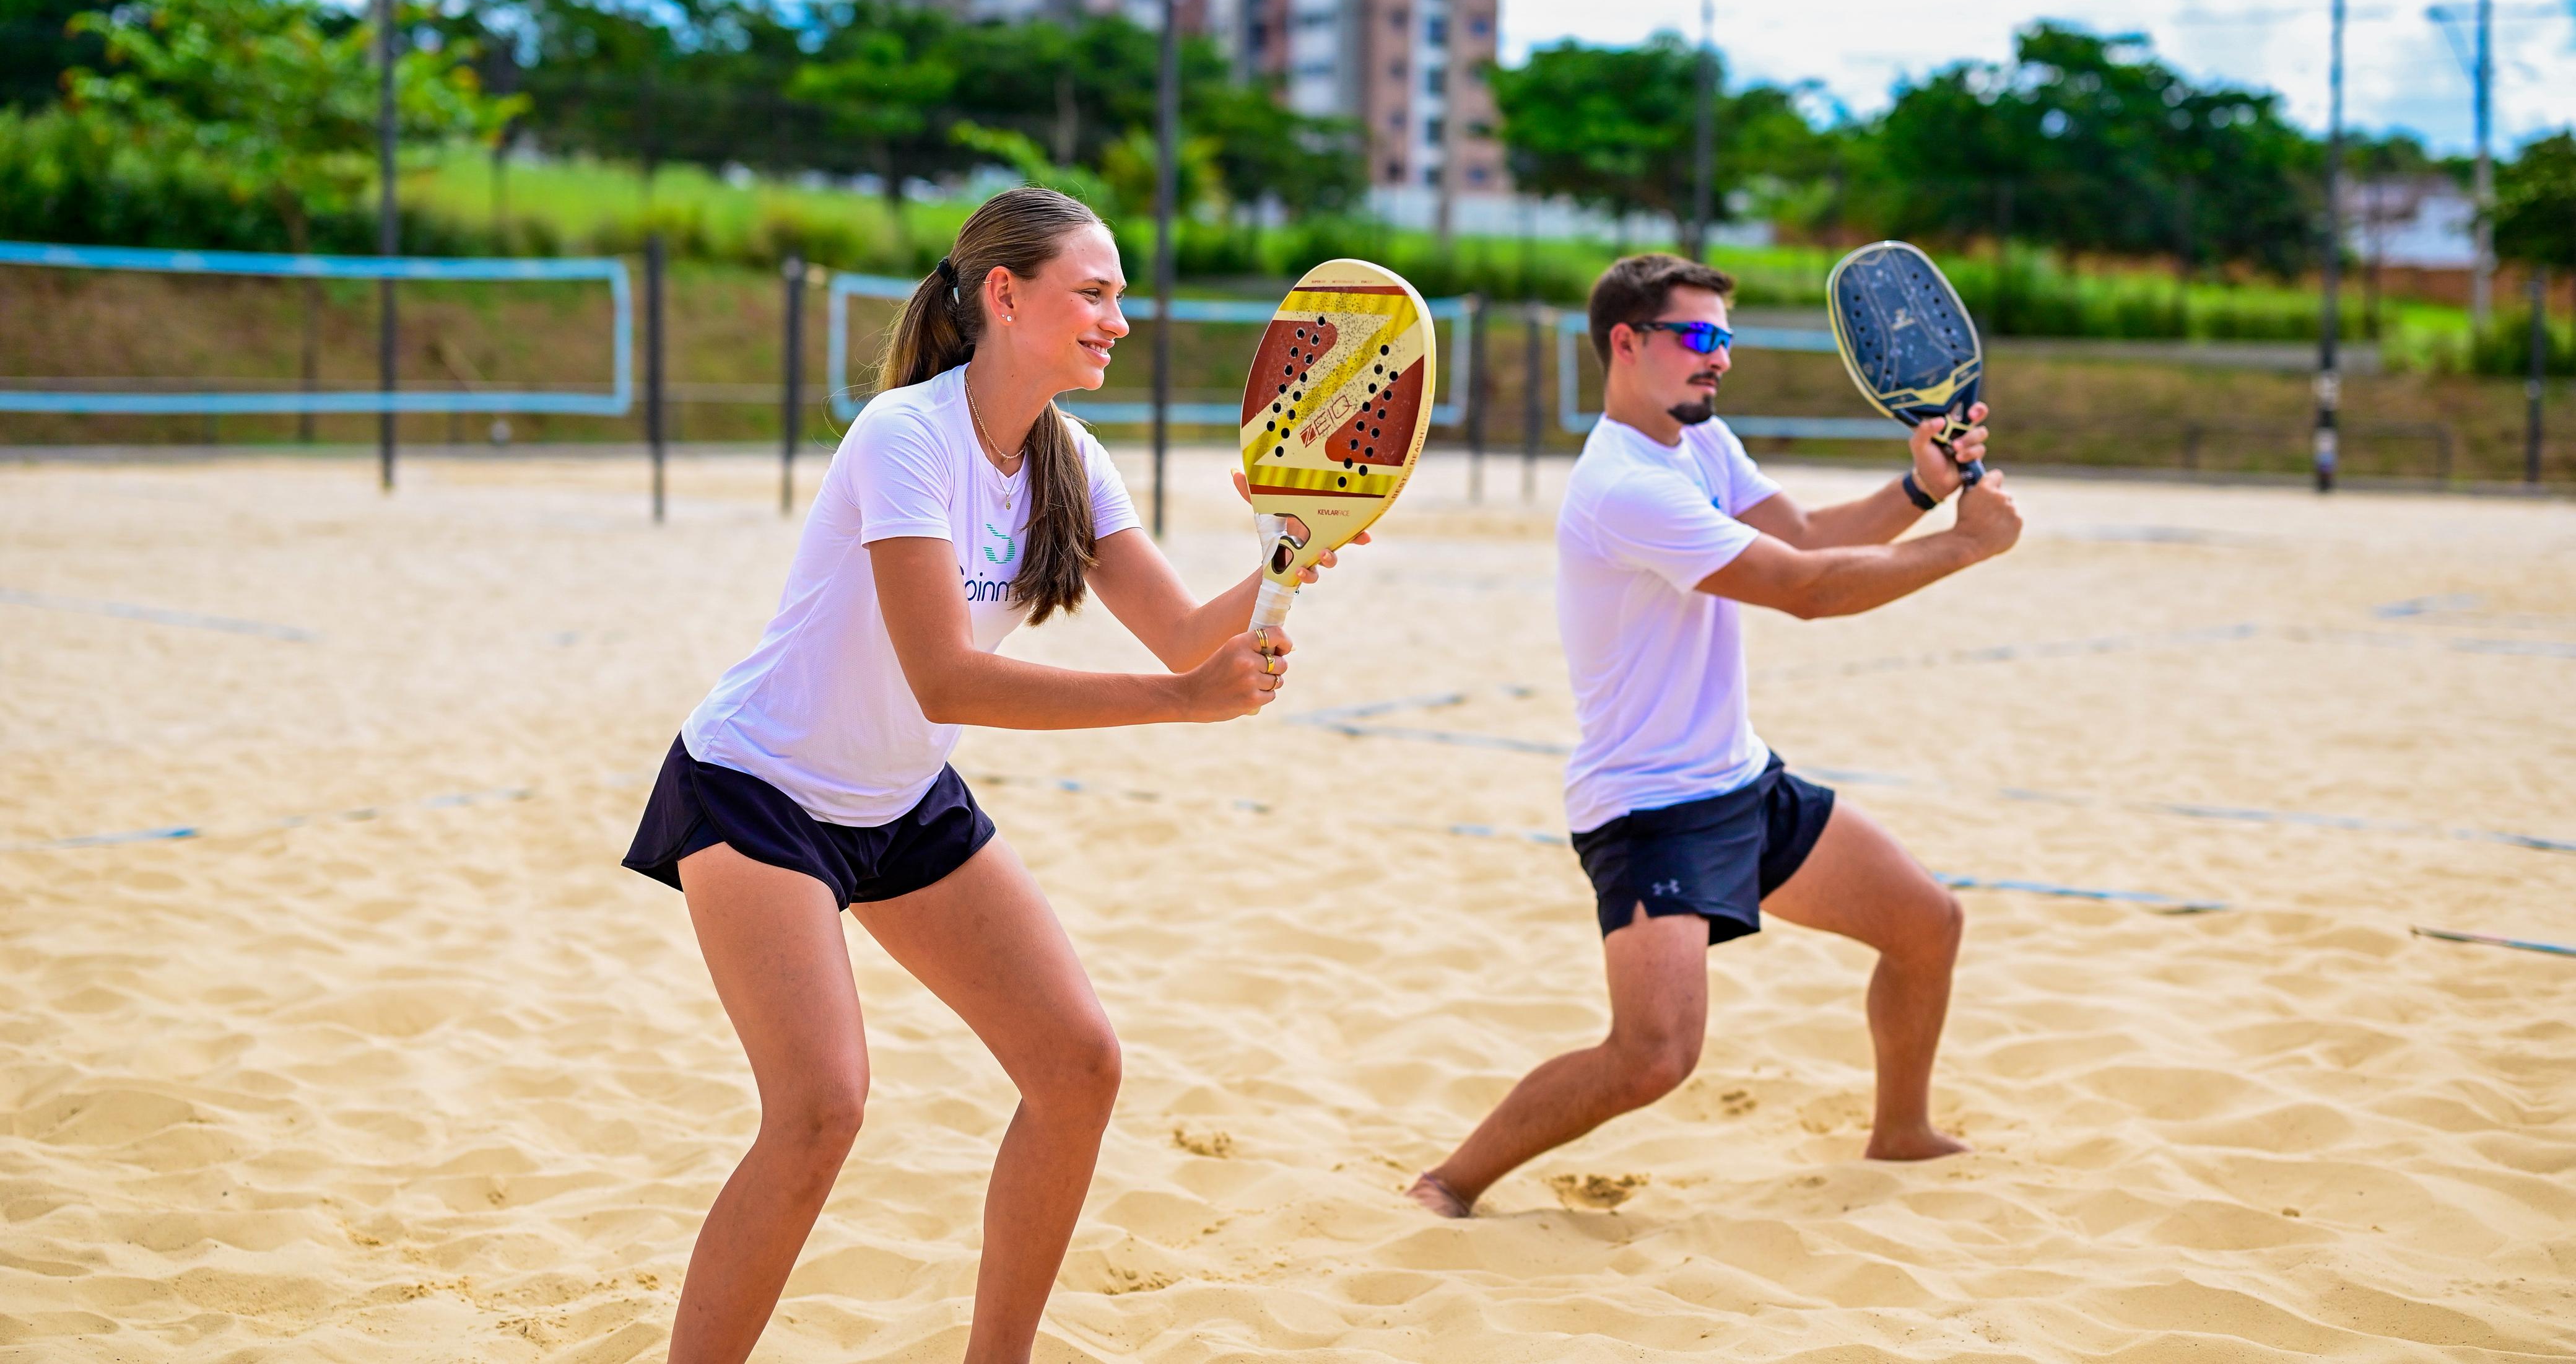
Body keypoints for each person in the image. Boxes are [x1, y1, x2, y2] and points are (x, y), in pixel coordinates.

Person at [624, 188, 1344, 1364]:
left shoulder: (1069, 455)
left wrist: (1291, 546)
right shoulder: (905, 434)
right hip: (758, 787)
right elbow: (946, 678)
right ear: (1005, 295)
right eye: (1095, 292)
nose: (1118, 319)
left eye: (1121, 296)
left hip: (901, 798)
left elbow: (1178, 633)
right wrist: (1180, 702)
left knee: (1079, 1065)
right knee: (820, 1110)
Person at [1408, 253, 2023, 1219]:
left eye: (1725, 339)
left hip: (1740, 779)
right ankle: (1450, 1181)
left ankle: (1900, 1130)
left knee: (1927, 924)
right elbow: (1807, 593)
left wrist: (1919, 493)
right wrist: (1967, 543)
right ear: (1626, 342)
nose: (1720, 358)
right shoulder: (1623, 486)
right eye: (1698, 337)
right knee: (1653, 1057)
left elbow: (1809, 537)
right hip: (1652, 809)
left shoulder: (1698, 441)